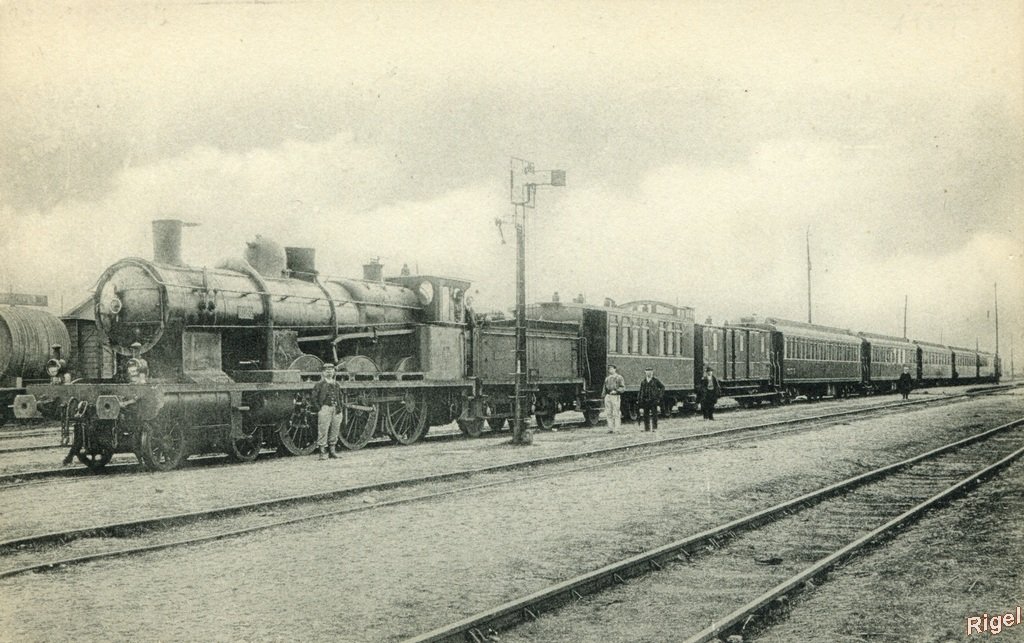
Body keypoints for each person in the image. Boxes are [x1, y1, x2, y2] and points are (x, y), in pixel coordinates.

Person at [312, 362, 343, 460]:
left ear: (334, 372)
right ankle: (322, 453)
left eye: (331, 370)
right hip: (325, 408)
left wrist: (340, 408)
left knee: (335, 430)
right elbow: (314, 398)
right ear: (323, 373)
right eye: (327, 371)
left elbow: (340, 397)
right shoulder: (319, 384)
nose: (329, 372)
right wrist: (320, 409)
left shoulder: (336, 384)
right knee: (323, 430)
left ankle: (332, 452)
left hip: (336, 409)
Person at [638, 366, 665, 431]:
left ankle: (654, 428)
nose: (649, 373)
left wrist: (659, 396)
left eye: (650, 372)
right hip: (645, 400)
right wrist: (640, 400)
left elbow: (662, 387)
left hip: (653, 400)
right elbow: (641, 391)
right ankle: (647, 428)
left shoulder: (655, 381)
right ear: (645, 373)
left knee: (654, 415)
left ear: (652, 373)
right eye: (647, 372)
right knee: (645, 415)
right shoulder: (643, 382)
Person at [603, 364, 626, 432]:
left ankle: (617, 429)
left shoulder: (619, 377)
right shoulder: (607, 378)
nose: (610, 370)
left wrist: (616, 391)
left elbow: (623, 387)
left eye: (612, 369)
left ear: (615, 369)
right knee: (608, 413)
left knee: (616, 412)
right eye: (609, 369)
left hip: (615, 396)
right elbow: (604, 388)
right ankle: (610, 428)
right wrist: (604, 395)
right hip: (608, 396)